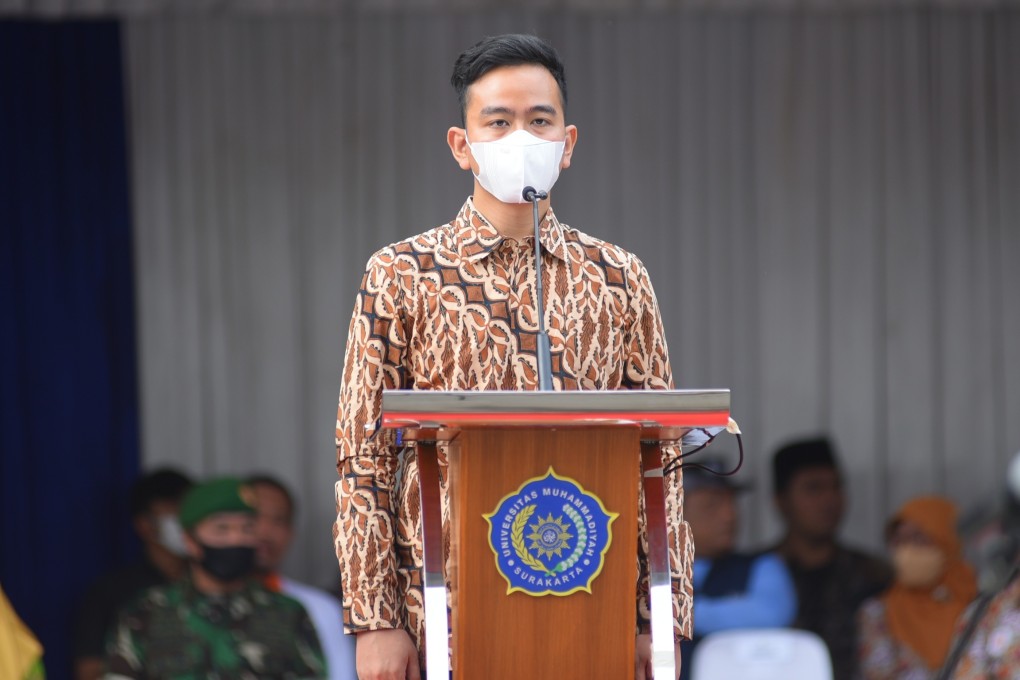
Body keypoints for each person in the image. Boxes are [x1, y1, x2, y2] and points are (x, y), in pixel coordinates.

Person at [334, 33, 691, 680]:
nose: (520, 138)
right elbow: (361, 458)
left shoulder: (618, 276)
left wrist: (657, 619)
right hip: (439, 611)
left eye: (538, 121)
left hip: (591, 601)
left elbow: (658, 456)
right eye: (498, 122)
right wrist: (375, 619)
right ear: (461, 145)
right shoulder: (401, 273)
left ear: (568, 143)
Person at [105, 477, 325, 679]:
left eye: (247, 529)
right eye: (222, 529)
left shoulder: (286, 614)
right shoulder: (146, 613)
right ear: (190, 541)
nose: (236, 539)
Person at [769, 437, 892, 680]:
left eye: (836, 486)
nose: (829, 500)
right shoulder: (759, 574)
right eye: (814, 488)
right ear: (781, 501)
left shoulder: (875, 574)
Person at [679, 457, 796, 680]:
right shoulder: (649, 571)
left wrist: (671, 613)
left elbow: (770, 614)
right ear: (675, 512)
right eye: (711, 505)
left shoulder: (762, 566)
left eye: (731, 503)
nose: (729, 516)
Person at [73, 468, 193, 680]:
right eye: (174, 510)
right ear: (144, 524)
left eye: (189, 510)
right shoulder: (111, 592)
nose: (185, 521)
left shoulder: (212, 583)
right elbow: (89, 671)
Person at [249, 474, 357, 680]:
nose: (264, 531)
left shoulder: (320, 609)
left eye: (278, 520)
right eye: (253, 518)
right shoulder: (183, 607)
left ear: (291, 532)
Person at [857, 496, 978, 679]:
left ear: (949, 540)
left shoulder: (981, 607)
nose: (907, 551)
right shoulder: (876, 614)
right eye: (898, 541)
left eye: (919, 538)